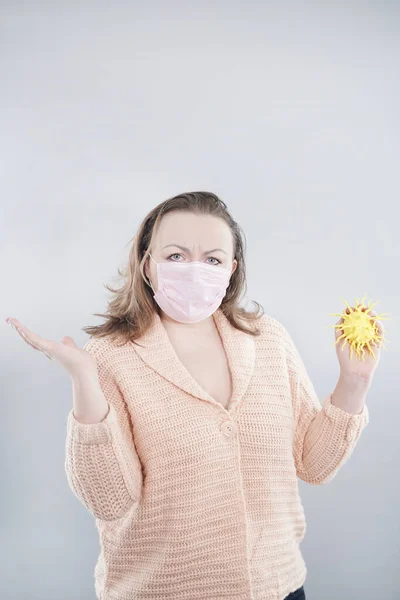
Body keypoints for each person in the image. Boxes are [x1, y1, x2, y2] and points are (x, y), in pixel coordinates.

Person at [6, 191, 382, 600]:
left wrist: (355, 381)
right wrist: (84, 378)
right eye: (176, 256)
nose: (194, 271)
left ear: (231, 269)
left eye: (213, 259)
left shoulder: (268, 339)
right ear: (147, 264)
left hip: (279, 587)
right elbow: (110, 500)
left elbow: (314, 464)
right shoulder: (111, 357)